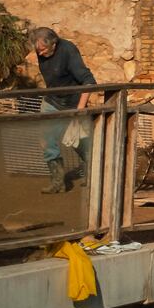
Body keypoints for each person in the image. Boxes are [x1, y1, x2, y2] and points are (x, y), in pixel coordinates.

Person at [28, 28, 95, 193]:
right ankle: (58, 183)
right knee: (46, 139)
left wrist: (79, 110)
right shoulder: (42, 51)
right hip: (52, 100)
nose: (40, 53)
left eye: (43, 50)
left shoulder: (68, 51)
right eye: (38, 51)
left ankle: (93, 171)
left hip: (73, 102)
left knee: (77, 141)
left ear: (54, 44)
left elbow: (89, 81)